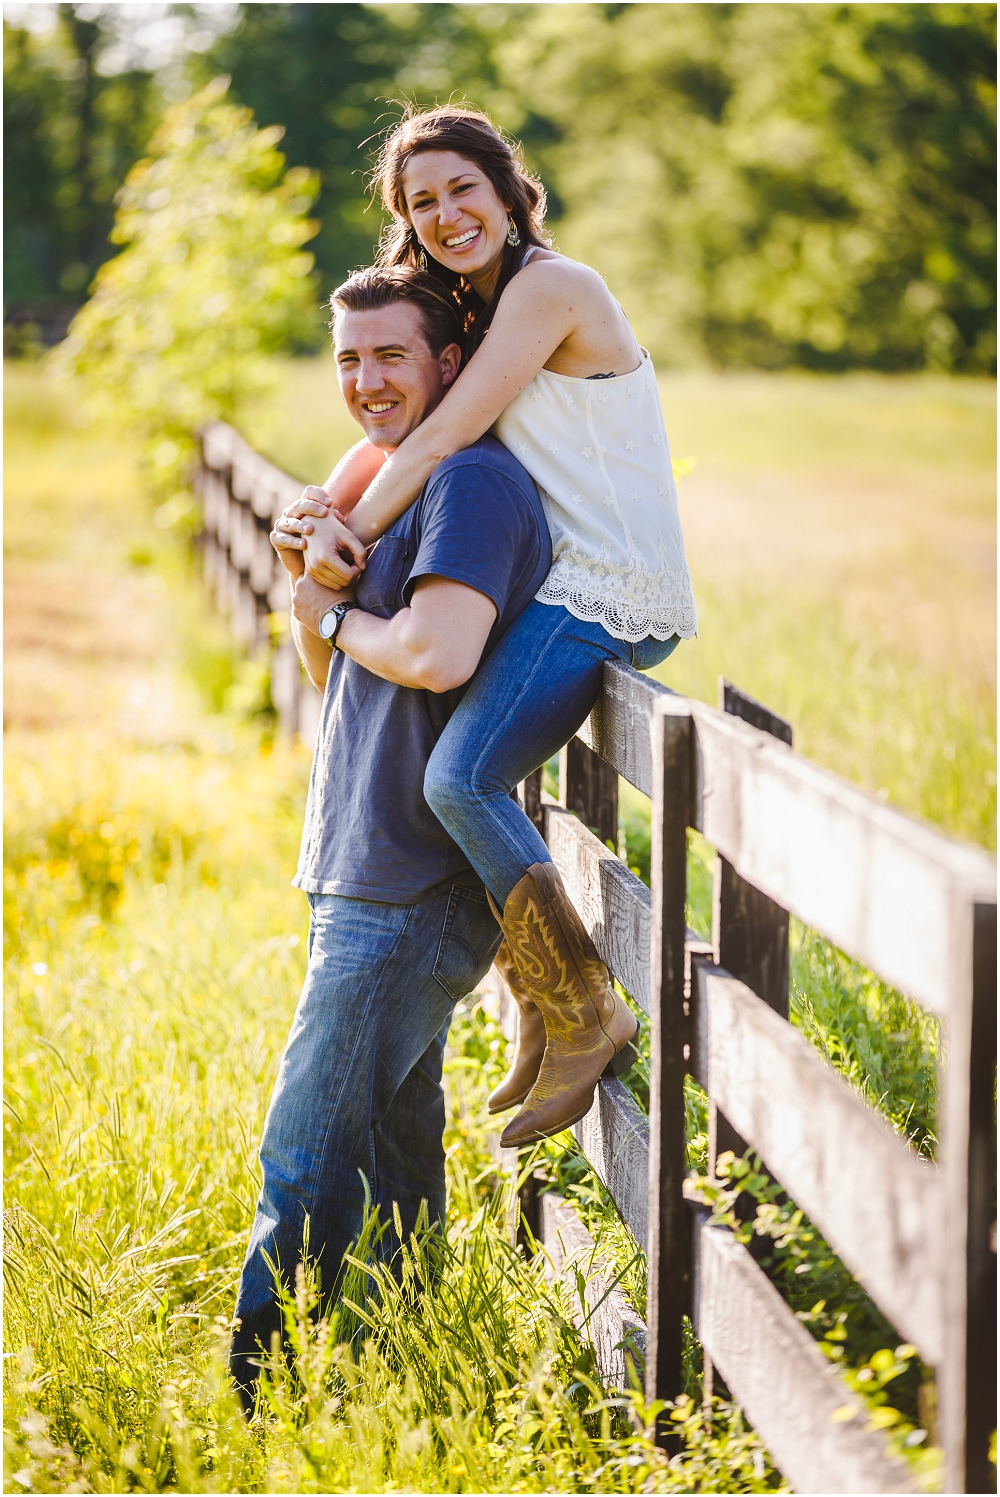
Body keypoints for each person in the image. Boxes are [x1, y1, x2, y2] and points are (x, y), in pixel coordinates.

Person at [273, 105, 697, 1150]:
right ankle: (547, 1012)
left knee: (457, 779)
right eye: (421, 203)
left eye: (464, 188)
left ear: (510, 192)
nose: (446, 214)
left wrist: (347, 548)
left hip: (610, 587)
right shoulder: (465, 303)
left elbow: (450, 429)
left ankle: (583, 1008)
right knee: (470, 776)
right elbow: (393, 429)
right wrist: (317, 514)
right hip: (562, 586)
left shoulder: (552, 288)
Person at [229, 263, 551, 1409]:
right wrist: (317, 590)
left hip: (411, 878)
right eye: (350, 358)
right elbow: (339, 675)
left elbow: (434, 656)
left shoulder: (471, 486)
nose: (366, 381)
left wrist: (332, 608)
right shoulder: (392, 486)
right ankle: (409, 1341)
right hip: (357, 855)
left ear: (452, 366)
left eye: (392, 357)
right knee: (393, 1139)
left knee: (306, 1146)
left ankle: (261, 1394)